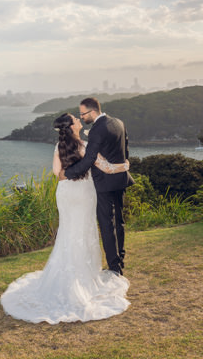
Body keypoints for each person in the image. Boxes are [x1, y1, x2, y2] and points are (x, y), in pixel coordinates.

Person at [0, 112, 130, 323]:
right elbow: (105, 167)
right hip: (84, 193)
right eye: (75, 120)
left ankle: (67, 277)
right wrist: (124, 166)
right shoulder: (86, 146)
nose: (79, 120)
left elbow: (57, 173)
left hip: (66, 194)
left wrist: (69, 173)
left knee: (69, 231)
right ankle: (83, 278)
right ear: (71, 127)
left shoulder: (59, 147)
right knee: (84, 231)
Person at [64, 97, 133, 275]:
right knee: (119, 221)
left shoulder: (97, 130)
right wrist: (121, 167)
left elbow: (89, 159)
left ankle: (114, 268)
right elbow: (125, 149)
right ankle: (120, 259)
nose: (81, 117)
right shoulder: (118, 122)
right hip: (120, 179)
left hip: (104, 183)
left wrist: (69, 173)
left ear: (93, 111)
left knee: (107, 225)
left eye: (83, 114)